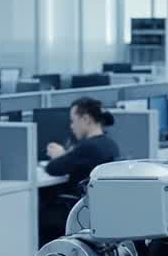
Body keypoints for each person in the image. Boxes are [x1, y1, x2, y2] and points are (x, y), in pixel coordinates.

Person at [38, 97, 120, 245]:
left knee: (36, 213)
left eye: (73, 121)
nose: (71, 126)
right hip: (97, 212)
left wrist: (61, 156)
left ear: (86, 119)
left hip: (77, 211)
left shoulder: (88, 147)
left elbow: (53, 168)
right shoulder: (109, 144)